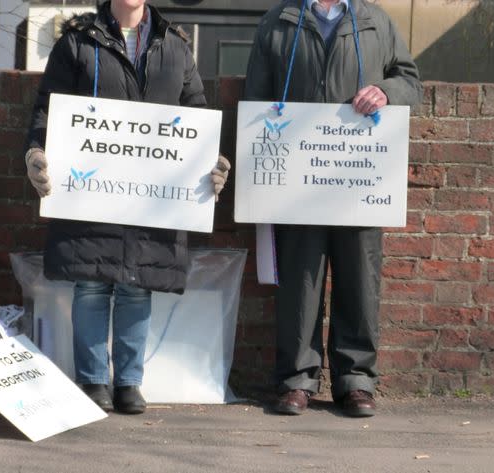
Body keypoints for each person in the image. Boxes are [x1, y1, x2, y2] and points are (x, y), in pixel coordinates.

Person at [25, 0, 230, 414]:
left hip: (151, 196)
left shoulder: (175, 47)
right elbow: (48, 110)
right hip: (91, 191)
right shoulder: (78, 43)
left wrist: (214, 161)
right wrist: (35, 152)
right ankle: (94, 379)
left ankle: (129, 383)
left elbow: (197, 115)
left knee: (137, 284)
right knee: (92, 283)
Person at [244, 0, 421, 417]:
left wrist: (387, 91)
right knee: (300, 285)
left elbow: (410, 83)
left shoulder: (376, 21)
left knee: (360, 280)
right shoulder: (278, 20)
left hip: (359, 174)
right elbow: (255, 96)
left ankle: (355, 382)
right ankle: (296, 381)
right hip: (299, 177)